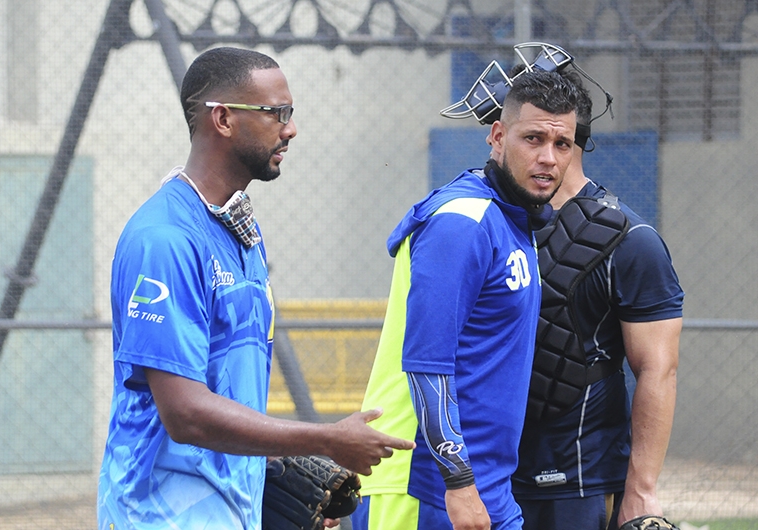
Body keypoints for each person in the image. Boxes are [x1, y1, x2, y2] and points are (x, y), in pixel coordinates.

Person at [96, 46, 415, 530]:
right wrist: (323, 439)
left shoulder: (238, 230)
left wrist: (268, 490)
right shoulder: (164, 239)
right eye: (276, 113)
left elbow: (231, 392)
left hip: (228, 512)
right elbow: (184, 413)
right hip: (158, 516)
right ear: (222, 119)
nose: (290, 128)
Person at [351, 68, 581, 530]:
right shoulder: (462, 222)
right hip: (424, 484)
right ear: (497, 136)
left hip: (485, 486)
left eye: (562, 144)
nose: (548, 158)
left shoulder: (513, 221)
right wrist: (457, 481)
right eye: (532, 138)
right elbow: (426, 363)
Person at [512, 69, 684, 530]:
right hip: (489, 472)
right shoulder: (487, 225)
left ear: (575, 137)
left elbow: (658, 368)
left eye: (552, 139)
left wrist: (641, 489)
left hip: (581, 479)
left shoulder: (631, 240)